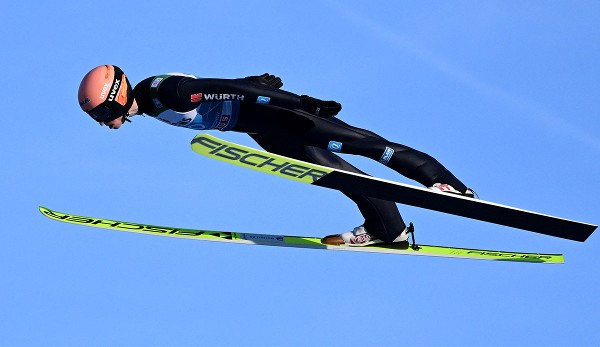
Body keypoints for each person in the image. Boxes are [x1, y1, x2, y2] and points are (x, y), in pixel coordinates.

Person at [78, 65, 474, 247]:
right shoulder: (147, 104)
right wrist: (248, 83)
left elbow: (222, 89)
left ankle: (449, 187)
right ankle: (388, 230)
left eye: (101, 113)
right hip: (263, 130)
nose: (102, 122)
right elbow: (226, 87)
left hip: (279, 115)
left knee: (369, 146)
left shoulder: (166, 93)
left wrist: (303, 103)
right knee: (342, 178)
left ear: (116, 96)